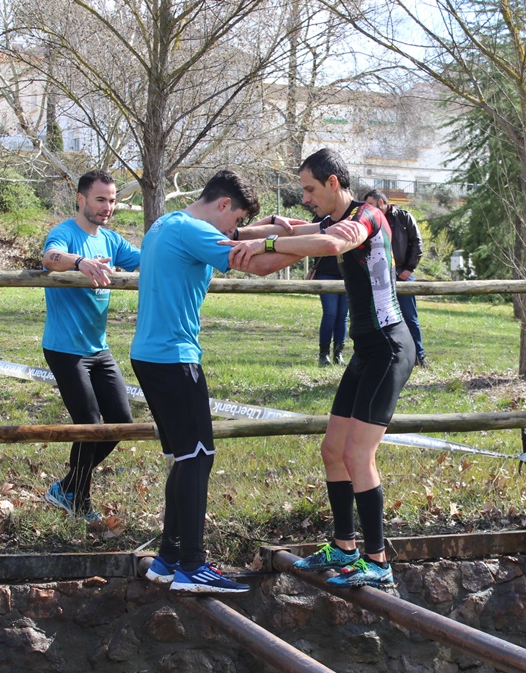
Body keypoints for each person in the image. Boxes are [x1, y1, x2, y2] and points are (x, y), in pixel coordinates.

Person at [133, 169, 358, 595]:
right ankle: (193, 567)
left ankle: (168, 559)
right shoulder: (196, 232)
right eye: (233, 221)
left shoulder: (167, 222)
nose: (235, 231)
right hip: (174, 359)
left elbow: (248, 235)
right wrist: (315, 245)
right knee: (199, 456)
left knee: (185, 457)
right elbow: (258, 263)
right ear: (222, 206)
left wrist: (286, 227)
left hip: (150, 355)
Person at [226, 148, 414, 588]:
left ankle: (378, 561)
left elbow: (327, 244)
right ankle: (344, 548)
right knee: (333, 450)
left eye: (310, 189)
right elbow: (289, 235)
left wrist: (267, 242)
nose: (305, 197)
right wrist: (228, 236)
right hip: (366, 351)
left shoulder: (366, 216)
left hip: (389, 348)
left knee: (357, 454)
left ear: (333, 184)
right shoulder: (331, 220)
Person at [41, 169, 140, 524]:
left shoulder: (111, 241)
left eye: (112, 200)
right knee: (89, 423)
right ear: (81, 199)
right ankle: (78, 499)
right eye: (101, 199)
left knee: (122, 422)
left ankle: (66, 487)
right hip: (65, 348)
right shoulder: (65, 233)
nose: (107, 207)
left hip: (98, 349)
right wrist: (79, 262)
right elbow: (50, 257)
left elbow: (145, 259)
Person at [363, 189, 426, 366]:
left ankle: (419, 356)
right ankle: (387, 355)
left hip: (402, 275)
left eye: (371, 205)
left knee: (409, 316)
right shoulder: (370, 221)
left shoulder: (404, 217)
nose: (369, 210)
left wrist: (409, 269)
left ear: (381, 203)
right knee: (380, 317)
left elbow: (417, 244)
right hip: (379, 274)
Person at [312, 254, 348, 366]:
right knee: (330, 313)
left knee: (342, 315)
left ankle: (338, 353)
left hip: (348, 272)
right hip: (326, 272)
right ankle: (324, 354)